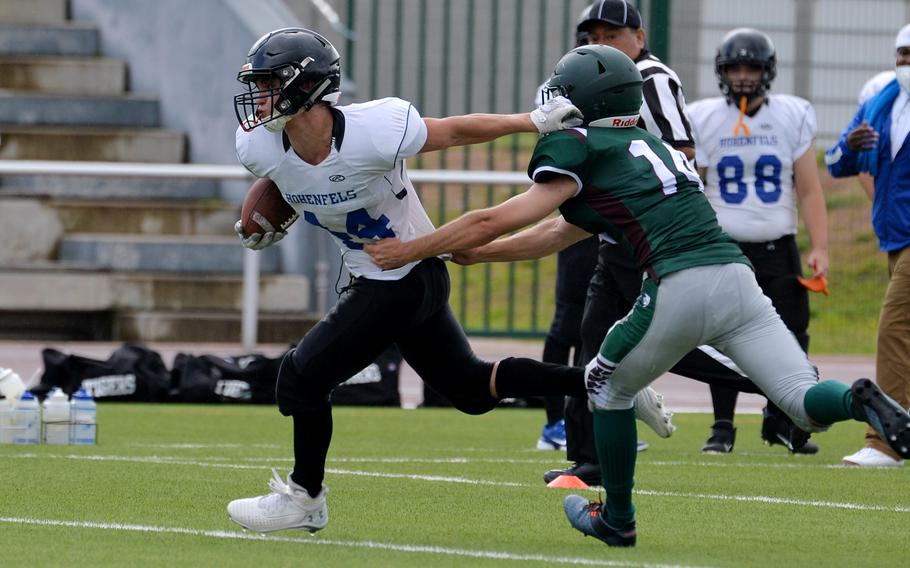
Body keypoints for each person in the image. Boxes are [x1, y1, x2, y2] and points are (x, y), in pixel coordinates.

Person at [365, 44, 910, 547]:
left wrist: (413, 247)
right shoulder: (652, 146)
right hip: (736, 278)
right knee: (802, 403)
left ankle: (617, 520)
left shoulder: (582, 146)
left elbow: (492, 217)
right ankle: (860, 399)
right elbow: (559, 233)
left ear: (582, 100)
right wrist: (479, 255)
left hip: (677, 283)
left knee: (604, 386)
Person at [224, 27, 671, 534]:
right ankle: (611, 385)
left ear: (306, 86)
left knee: (300, 379)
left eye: (269, 82)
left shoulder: (374, 128)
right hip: (394, 277)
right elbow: (291, 179)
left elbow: (456, 131)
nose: (258, 96)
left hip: (404, 277)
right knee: (475, 389)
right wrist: (263, 222)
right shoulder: (259, 146)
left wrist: (531, 121)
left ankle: (305, 500)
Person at [542, 0, 799, 486]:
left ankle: (784, 384)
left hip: (646, 232)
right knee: (592, 333)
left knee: (672, 341)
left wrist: (629, 188)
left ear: (639, 37)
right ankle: (589, 459)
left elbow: (681, 149)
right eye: (591, 35)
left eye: (611, 34)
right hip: (617, 228)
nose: (600, 43)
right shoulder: (590, 85)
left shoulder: (651, 77)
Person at [687, 28, 828, 455]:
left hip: (777, 246)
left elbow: (808, 188)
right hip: (725, 247)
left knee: (791, 334)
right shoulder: (704, 117)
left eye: (752, 67)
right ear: (721, 72)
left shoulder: (792, 114)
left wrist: (820, 246)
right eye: (735, 68)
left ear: (767, 71)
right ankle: (723, 425)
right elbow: (694, 185)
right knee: (719, 337)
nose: (744, 76)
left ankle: (782, 420)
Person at [825, 23, 910, 468]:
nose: (907, 64)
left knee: (894, 329)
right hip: (895, 236)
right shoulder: (883, 100)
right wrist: (850, 146)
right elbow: (835, 161)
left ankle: (885, 441)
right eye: (903, 54)